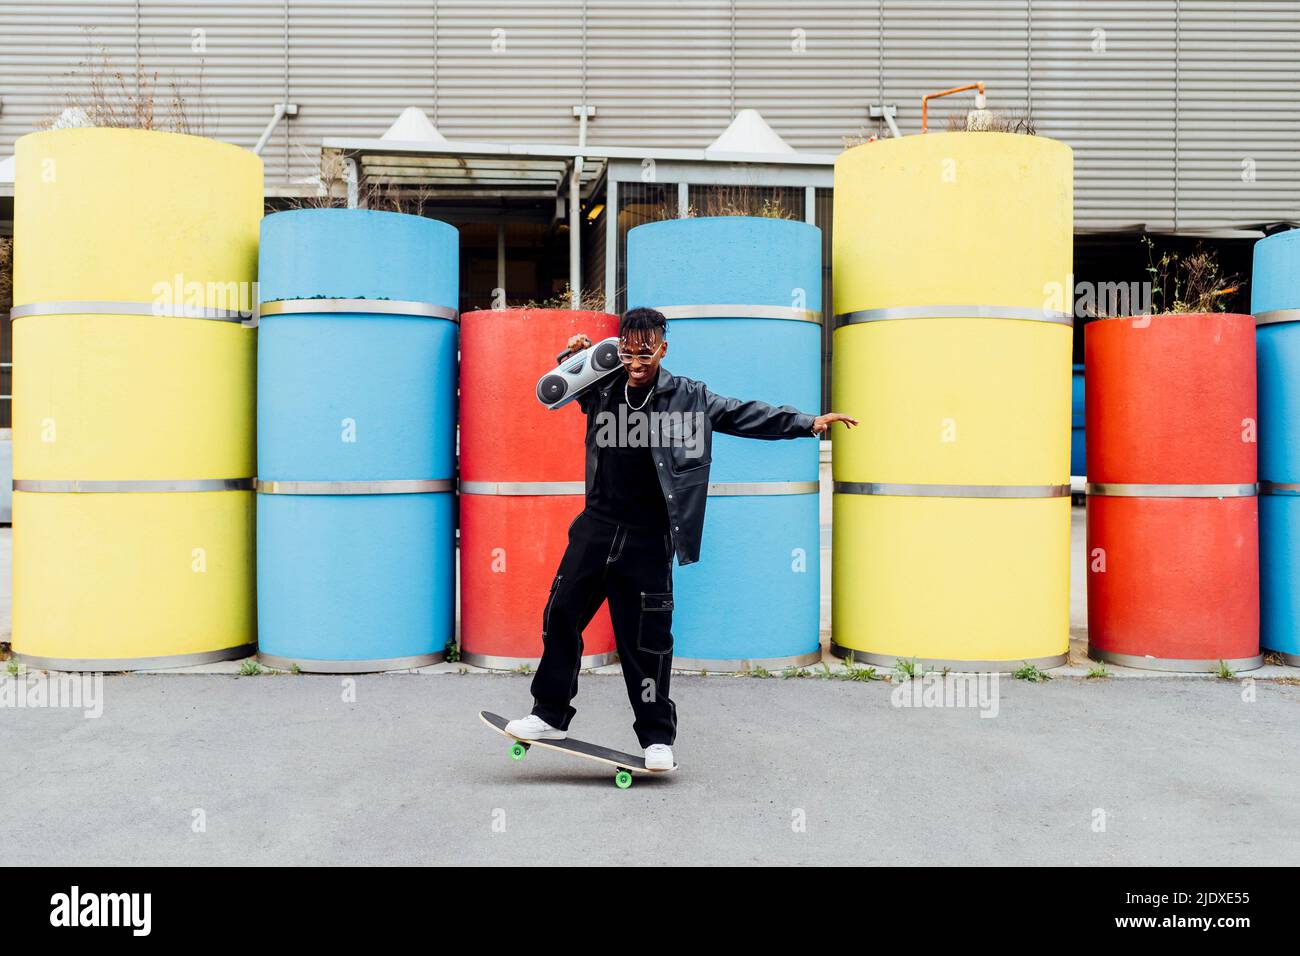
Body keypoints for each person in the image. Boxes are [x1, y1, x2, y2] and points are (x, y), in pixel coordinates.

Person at [505, 307, 858, 770]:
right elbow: (562, 384)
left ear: (663, 349)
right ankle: (549, 714)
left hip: (650, 537)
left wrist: (805, 423)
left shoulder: (689, 397)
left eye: (645, 353)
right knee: (561, 615)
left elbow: (742, 414)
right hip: (596, 527)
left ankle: (655, 739)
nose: (635, 361)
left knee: (647, 640)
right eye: (628, 352)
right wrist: (575, 355)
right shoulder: (603, 386)